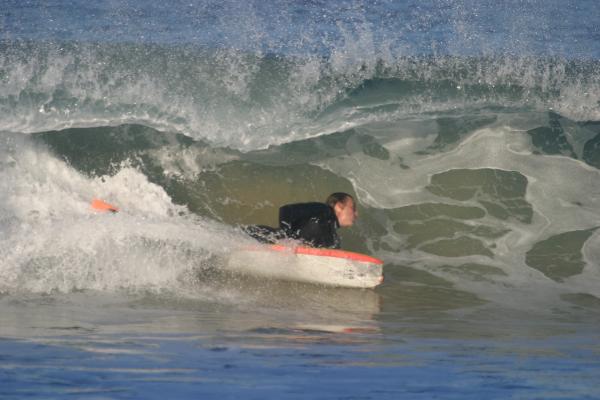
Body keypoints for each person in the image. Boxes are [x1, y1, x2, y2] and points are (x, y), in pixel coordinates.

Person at [243, 192, 358, 249]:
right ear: (339, 207)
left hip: (266, 247)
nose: (356, 214)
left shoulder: (333, 239)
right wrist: (285, 239)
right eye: (353, 208)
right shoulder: (323, 210)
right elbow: (286, 210)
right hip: (258, 235)